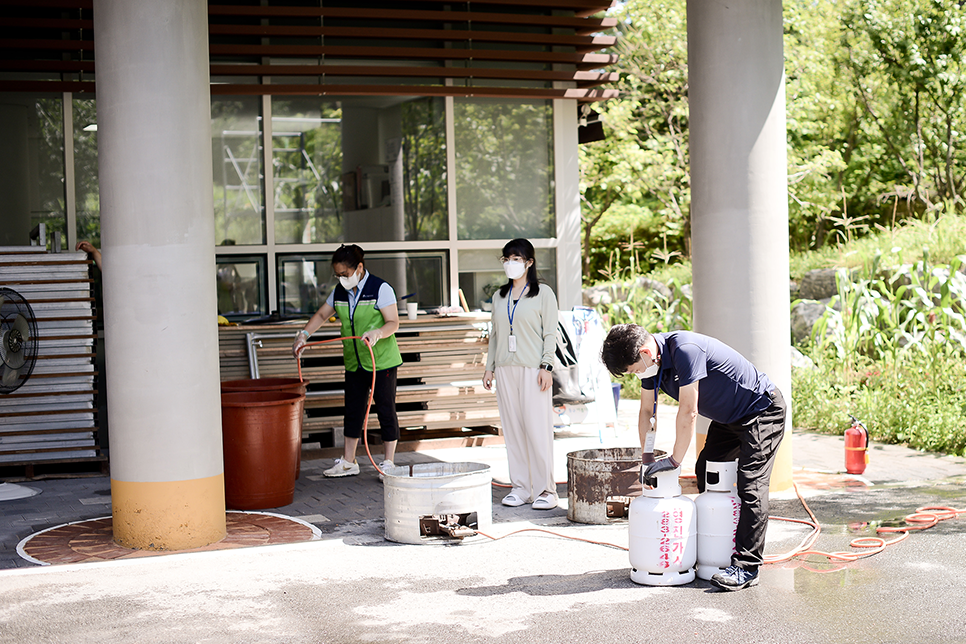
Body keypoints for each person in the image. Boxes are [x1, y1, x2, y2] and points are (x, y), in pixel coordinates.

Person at [600, 324, 786, 591]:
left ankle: (747, 566)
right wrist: (647, 458)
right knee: (705, 470)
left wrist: (674, 461)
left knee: (751, 484)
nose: (636, 375)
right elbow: (646, 412)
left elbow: (688, 411)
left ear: (645, 353)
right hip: (730, 418)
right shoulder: (651, 366)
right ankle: (711, 549)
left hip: (761, 411)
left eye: (633, 370)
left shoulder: (685, 350)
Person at [292, 244, 402, 478]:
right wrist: (304, 335)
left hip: (381, 361)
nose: (342, 278)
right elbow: (322, 314)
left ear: (359, 268)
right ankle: (349, 461)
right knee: (353, 410)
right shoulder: (340, 292)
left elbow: (393, 322)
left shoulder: (380, 288)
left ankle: (389, 462)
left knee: (385, 409)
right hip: (354, 362)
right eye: (338, 275)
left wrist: (377, 333)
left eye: (345, 274)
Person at [482, 238, 559, 510]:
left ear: (529, 262)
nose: (510, 263)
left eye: (516, 259)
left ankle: (546, 490)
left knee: (537, 430)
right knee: (513, 430)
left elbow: (550, 333)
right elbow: (495, 334)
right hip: (505, 370)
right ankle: (521, 488)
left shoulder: (543, 294)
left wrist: (546, 366)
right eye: (507, 259)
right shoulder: (499, 296)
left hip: (534, 369)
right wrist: (490, 367)